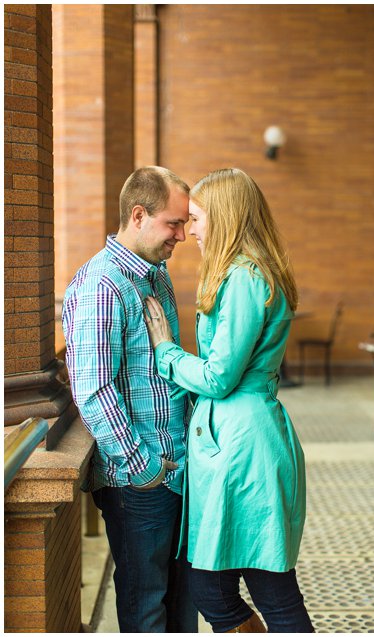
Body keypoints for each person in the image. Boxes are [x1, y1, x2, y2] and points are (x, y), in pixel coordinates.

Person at [143, 167, 313, 633]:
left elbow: (219, 376)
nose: (190, 229)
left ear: (226, 217)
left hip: (245, 444)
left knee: (258, 589)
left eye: (197, 218)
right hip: (242, 438)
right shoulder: (249, 272)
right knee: (227, 585)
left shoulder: (243, 277)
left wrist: (166, 352)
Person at [62, 166, 197, 632]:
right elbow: (93, 389)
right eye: (173, 223)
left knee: (182, 603)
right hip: (137, 484)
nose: (182, 234)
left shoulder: (156, 276)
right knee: (146, 610)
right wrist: (143, 469)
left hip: (177, 472)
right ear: (138, 215)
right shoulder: (102, 284)